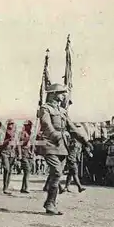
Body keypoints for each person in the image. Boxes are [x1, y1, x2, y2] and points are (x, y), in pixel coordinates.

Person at [37, 83, 92, 215]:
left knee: (57, 175)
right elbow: (46, 125)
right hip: (49, 143)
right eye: (61, 93)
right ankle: (50, 203)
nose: (64, 95)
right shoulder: (45, 108)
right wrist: (57, 136)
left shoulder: (62, 111)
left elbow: (72, 128)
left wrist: (85, 141)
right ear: (54, 94)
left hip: (62, 146)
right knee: (56, 172)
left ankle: (51, 203)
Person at [17, 121, 35, 194]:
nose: (30, 127)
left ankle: (23, 188)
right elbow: (19, 144)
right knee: (27, 170)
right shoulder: (22, 133)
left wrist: (32, 152)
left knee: (27, 172)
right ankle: (26, 187)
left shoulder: (32, 133)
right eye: (28, 125)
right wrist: (20, 154)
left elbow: (32, 144)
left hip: (29, 153)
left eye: (30, 125)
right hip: (24, 152)